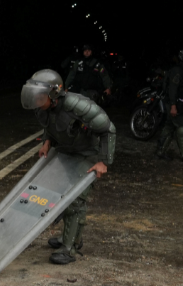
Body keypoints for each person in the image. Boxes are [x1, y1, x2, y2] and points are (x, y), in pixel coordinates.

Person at [21, 69, 115, 265]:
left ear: (54, 94)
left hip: (88, 153)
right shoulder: (42, 107)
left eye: (40, 96)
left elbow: (108, 129)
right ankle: (69, 238)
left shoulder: (76, 105)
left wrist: (103, 162)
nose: (36, 101)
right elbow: (50, 126)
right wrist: (46, 142)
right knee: (61, 196)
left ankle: (70, 248)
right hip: (67, 151)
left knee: (75, 199)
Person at [157, 45, 183, 162]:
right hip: (174, 103)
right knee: (182, 128)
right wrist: (173, 106)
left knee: (169, 126)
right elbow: (173, 89)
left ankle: (160, 151)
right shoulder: (177, 71)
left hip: (180, 103)